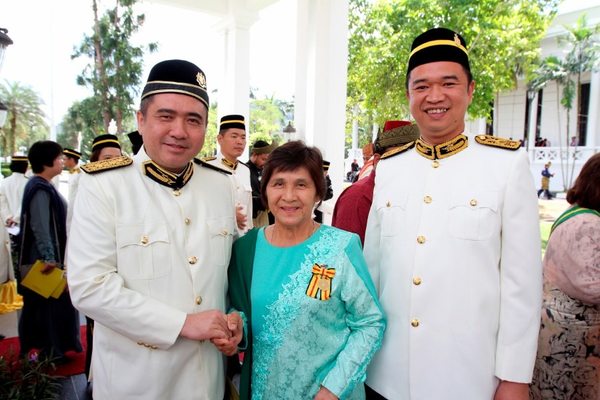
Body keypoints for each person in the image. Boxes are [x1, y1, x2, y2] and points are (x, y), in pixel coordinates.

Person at [363, 28, 542, 400]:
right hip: (387, 376)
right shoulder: (392, 167)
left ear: (471, 90)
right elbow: (372, 272)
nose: (435, 97)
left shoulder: (506, 164)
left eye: (449, 83)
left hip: (467, 378)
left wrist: (514, 377)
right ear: (409, 95)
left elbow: (521, 285)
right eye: (422, 86)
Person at [67, 59, 242, 400]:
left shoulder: (220, 183)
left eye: (194, 120)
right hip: (136, 382)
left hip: (207, 380)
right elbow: (90, 287)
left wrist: (235, 320)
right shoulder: (104, 184)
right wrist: (183, 323)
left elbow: (227, 274)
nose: (179, 131)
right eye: (166, 116)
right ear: (141, 119)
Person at [226, 140, 386, 399]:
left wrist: (333, 389)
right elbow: (241, 310)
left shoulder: (341, 246)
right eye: (278, 184)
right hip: (266, 391)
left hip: (330, 394)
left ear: (318, 193)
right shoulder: (247, 249)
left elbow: (370, 322)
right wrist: (235, 325)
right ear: (265, 191)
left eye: (301, 184)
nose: (289, 196)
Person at [530, 153, 600, 400]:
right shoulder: (586, 223)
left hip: (568, 331)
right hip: (570, 336)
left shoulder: (582, 214)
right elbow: (591, 286)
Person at [16, 140, 82, 362]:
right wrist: (49, 257)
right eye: (59, 158)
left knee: (49, 307)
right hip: (44, 262)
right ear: (48, 161)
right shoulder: (40, 188)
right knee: (46, 308)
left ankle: (54, 348)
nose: (62, 161)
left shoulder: (41, 185)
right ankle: (49, 350)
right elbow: (41, 226)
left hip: (46, 258)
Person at [332, 121, 418, 245]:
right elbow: (345, 257)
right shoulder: (357, 197)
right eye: (399, 157)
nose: (407, 165)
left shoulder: (412, 193)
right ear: (377, 160)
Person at [204, 114, 253, 235]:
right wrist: (230, 214)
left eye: (243, 137)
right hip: (216, 236)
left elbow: (249, 209)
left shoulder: (245, 170)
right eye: (234, 136)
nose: (239, 142)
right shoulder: (206, 167)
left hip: (242, 238)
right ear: (220, 139)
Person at [247, 139, 277, 227]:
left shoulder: (263, 171)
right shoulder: (245, 171)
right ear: (255, 155)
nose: (266, 163)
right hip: (252, 216)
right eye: (264, 159)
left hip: (264, 215)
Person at [0, 155, 29, 229]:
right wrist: (15, 219)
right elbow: (26, 203)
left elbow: (2, 204)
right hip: (25, 224)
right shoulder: (29, 183)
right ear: (26, 168)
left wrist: (8, 218)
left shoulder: (3, 183)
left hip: (8, 225)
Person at [63, 148, 82, 231]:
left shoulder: (81, 172)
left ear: (71, 159)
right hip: (71, 204)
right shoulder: (72, 172)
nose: (63, 161)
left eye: (65, 159)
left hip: (78, 206)